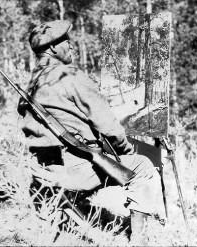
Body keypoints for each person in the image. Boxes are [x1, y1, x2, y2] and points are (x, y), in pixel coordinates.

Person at [17, 20, 162, 242]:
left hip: (42, 170)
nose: (71, 46)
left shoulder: (32, 83)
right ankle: (139, 239)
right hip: (73, 170)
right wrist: (126, 149)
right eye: (66, 41)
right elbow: (109, 127)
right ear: (54, 48)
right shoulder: (69, 75)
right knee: (142, 166)